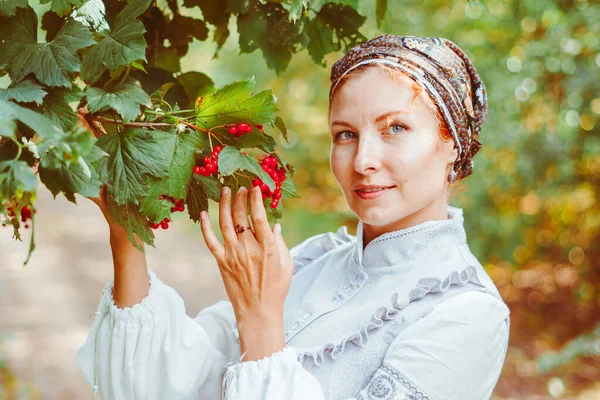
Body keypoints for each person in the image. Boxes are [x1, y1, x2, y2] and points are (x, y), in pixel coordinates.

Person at [77, 35, 510, 400]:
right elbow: (173, 386)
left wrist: (260, 321)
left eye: (395, 128)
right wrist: (125, 231)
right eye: (346, 134)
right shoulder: (309, 263)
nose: (363, 160)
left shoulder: (466, 314)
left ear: (452, 141)